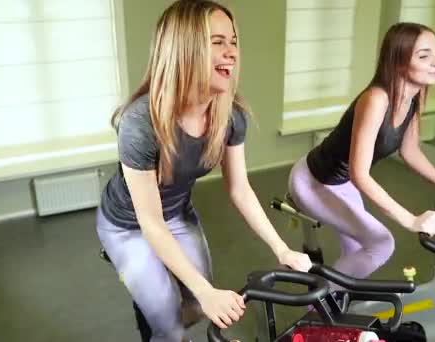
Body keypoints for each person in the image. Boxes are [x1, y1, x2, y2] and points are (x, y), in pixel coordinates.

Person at [96, 1, 312, 341]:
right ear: (184, 48)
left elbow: (239, 188)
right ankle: (151, 311)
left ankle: (155, 302)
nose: (232, 52)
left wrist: (281, 248)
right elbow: (150, 223)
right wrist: (205, 291)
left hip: (177, 214)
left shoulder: (230, 114)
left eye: (234, 41)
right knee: (167, 323)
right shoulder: (140, 123)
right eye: (217, 42)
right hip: (128, 226)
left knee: (195, 308)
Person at [287, 22, 435, 282]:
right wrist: (410, 220)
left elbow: (410, 152)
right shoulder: (376, 99)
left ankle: (334, 299)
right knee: (380, 244)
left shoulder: (413, 97)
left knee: (358, 251)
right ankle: (320, 306)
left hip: (342, 183)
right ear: (398, 62)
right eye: (424, 55)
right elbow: (360, 174)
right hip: (314, 182)